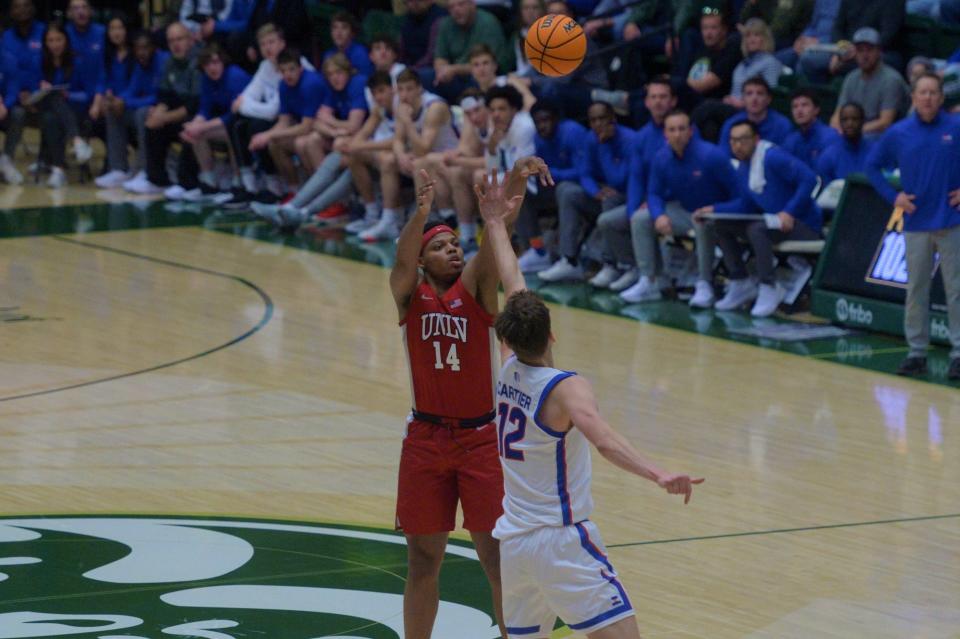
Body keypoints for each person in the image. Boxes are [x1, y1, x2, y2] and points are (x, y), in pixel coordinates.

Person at [473, 167, 703, 639]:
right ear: (552, 334)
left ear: (508, 339)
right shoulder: (564, 387)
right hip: (561, 542)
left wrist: (495, 223)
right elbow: (604, 439)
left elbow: (512, 280)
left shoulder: (505, 368)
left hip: (514, 542)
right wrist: (658, 473)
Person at [389, 155, 552, 639]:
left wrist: (514, 187)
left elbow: (494, 244)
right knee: (421, 559)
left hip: (482, 439)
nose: (453, 252)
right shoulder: (407, 292)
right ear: (421, 257)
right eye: (441, 247)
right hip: (425, 437)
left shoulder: (476, 289)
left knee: (496, 557)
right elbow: (399, 260)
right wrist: (420, 215)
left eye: (455, 244)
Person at [865, 73, 960, 380]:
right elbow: (871, 166)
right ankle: (916, 352)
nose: (928, 98)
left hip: (952, 221)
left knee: (956, 291)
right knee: (916, 290)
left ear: (941, 98)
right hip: (916, 223)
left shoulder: (955, 128)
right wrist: (894, 197)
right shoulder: (899, 132)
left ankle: (958, 353)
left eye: (934, 92)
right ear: (914, 98)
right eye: (923, 92)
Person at [698, 120, 822, 317]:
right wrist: (713, 209)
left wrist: (789, 211)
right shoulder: (744, 168)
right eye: (733, 141)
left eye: (743, 139)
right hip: (774, 223)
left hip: (804, 225)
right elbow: (746, 205)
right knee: (720, 224)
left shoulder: (773, 157)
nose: (738, 145)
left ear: (756, 139)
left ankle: (769, 286)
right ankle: (740, 282)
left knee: (756, 228)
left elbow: (809, 179)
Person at [253, 71, 398, 228]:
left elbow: (397, 142)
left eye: (382, 91)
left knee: (352, 161)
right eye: (374, 92)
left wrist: (358, 146)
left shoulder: (401, 108)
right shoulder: (378, 110)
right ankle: (293, 208)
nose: (378, 96)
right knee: (339, 156)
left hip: (396, 157)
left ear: (393, 89)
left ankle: (301, 211)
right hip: (376, 154)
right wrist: (352, 145)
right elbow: (364, 134)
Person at [625, 109, 737, 307]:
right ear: (665, 134)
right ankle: (650, 280)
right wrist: (659, 215)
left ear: (691, 131)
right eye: (672, 130)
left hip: (719, 214)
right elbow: (654, 193)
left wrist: (716, 209)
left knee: (701, 220)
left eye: (682, 129)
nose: (677, 134)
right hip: (687, 211)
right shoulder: (661, 158)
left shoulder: (711, 156)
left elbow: (740, 195)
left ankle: (705, 283)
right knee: (641, 218)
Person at [595, 76, 678, 294]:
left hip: (675, 201)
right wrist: (633, 208)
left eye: (663, 97)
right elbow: (636, 178)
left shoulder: (680, 130)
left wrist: (651, 203)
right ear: (647, 102)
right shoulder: (642, 137)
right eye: (653, 97)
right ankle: (631, 267)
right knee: (608, 221)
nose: (658, 102)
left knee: (642, 218)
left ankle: (650, 279)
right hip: (651, 200)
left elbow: (679, 177)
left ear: (673, 101)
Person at [538, 101, 636, 284]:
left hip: (630, 197)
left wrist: (606, 146)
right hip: (604, 192)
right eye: (593, 120)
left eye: (602, 119)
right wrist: (594, 191)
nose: (598, 124)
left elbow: (621, 180)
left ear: (613, 119)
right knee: (567, 191)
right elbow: (584, 173)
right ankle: (569, 260)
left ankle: (611, 264)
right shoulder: (591, 138)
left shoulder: (630, 140)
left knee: (610, 198)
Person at [360, 69, 459, 242]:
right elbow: (397, 140)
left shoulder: (434, 107)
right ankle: (389, 220)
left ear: (419, 88)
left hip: (448, 160)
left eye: (409, 89)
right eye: (401, 90)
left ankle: (423, 225)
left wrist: (407, 122)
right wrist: (400, 156)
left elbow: (424, 149)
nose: (404, 95)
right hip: (425, 160)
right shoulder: (402, 107)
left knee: (420, 162)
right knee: (389, 160)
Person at [222, 24, 314, 207]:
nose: (267, 48)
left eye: (271, 42)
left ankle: (275, 186)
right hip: (285, 120)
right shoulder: (265, 66)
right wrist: (245, 104)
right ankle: (249, 186)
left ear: (282, 43)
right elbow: (244, 97)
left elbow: (274, 111)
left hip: (301, 121)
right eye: (263, 44)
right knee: (236, 123)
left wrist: (245, 105)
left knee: (258, 126)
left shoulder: (294, 65)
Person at [126, 22, 202, 196]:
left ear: (190, 39)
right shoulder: (169, 62)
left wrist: (164, 117)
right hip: (179, 112)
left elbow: (193, 105)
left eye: (180, 39)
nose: (176, 44)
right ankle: (157, 179)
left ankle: (188, 182)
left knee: (188, 125)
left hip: (198, 115)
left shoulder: (198, 62)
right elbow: (164, 96)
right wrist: (159, 112)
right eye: (171, 40)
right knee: (151, 120)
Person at [518, 99, 587, 273]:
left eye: (546, 120)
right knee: (520, 190)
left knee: (565, 190)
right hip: (556, 186)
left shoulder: (573, 132)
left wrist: (551, 173)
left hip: (584, 187)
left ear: (557, 119)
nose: (542, 126)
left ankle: (569, 259)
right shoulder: (538, 138)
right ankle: (538, 250)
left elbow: (584, 172)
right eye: (538, 122)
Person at [247, 48, 325, 198]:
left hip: (322, 128)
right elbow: (284, 121)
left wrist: (268, 135)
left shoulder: (310, 83)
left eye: (291, 69)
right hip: (309, 128)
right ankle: (294, 191)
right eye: (283, 71)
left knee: (303, 143)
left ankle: (318, 194)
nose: (288, 75)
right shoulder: (283, 86)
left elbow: (306, 127)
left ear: (300, 68)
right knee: (275, 143)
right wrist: (266, 136)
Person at [178, 43, 251, 200]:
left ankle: (238, 182)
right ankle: (209, 181)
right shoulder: (207, 79)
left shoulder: (235, 77)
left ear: (223, 62)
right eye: (208, 64)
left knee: (232, 131)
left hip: (246, 124)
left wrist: (202, 126)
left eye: (216, 62)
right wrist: (194, 126)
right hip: (228, 122)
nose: (212, 67)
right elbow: (205, 109)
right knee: (195, 133)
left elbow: (233, 115)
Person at [35, 22, 101, 188]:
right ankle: (76, 145)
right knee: (51, 112)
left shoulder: (77, 61)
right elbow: (31, 92)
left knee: (55, 103)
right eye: (51, 40)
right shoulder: (41, 62)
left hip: (77, 111)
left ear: (66, 40)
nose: (55, 44)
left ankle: (59, 169)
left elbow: (88, 94)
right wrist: (40, 89)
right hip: (50, 111)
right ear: (45, 43)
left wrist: (69, 95)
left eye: (59, 39)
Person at [829, 27, 909, 139]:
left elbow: (885, 123)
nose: (865, 55)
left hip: (881, 137)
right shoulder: (851, 78)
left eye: (869, 50)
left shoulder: (891, 79)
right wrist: (837, 129)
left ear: (879, 52)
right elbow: (836, 116)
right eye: (860, 50)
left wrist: (852, 131)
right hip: (855, 132)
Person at [114, 33, 169, 192]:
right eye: (138, 48)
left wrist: (127, 102)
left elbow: (159, 97)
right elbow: (132, 90)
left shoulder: (163, 61)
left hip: (165, 109)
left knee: (142, 114)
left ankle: (147, 171)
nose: (141, 52)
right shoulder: (140, 64)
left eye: (145, 48)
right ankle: (118, 168)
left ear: (154, 48)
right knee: (113, 109)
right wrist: (118, 100)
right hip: (149, 107)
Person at [432, 0, 510, 102]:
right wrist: (442, 71)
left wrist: (453, 70)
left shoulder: (487, 23)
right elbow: (440, 56)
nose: (456, 10)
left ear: (472, 4)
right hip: (453, 77)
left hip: (480, 75)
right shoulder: (446, 24)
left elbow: (487, 64)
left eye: (461, 4)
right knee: (426, 77)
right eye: (451, 7)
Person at [716, 77, 793, 152]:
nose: (754, 98)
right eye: (749, 94)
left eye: (760, 93)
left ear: (768, 99)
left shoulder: (782, 125)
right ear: (743, 99)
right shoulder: (731, 124)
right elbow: (723, 156)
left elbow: (787, 157)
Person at [782, 88, 839, 169]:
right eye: (795, 106)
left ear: (816, 110)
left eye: (804, 105)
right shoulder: (790, 141)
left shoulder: (830, 137)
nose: (799, 110)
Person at [817, 101, 871, 183]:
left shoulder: (876, 152)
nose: (850, 123)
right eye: (845, 120)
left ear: (863, 121)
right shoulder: (828, 156)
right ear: (840, 122)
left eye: (855, 119)